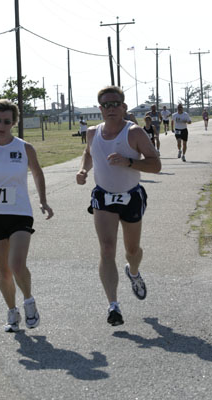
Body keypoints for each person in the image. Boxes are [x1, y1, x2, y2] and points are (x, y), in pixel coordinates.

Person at [76, 86, 161, 326]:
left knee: (132, 251)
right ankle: (113, 305)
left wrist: (129, 162)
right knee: (106, 248)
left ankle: (133, 272)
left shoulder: (134, 133)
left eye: (116, 104)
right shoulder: (93, 133)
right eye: (106, 105)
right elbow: (88, 153)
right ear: (100, 108)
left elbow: (156, 165)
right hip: (103, 197)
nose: (111, 108)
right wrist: (83, 169)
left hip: (131, 196)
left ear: (124, 107)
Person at [0, 99, 54, 332]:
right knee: (3, 271)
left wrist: (43, 201)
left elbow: (37, 173)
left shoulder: (24, 148)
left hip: (20, 212)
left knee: (16, 264)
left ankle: (29, 301)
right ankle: (12, 313)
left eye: (7, 121)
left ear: (14, 123)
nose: (1, 125)